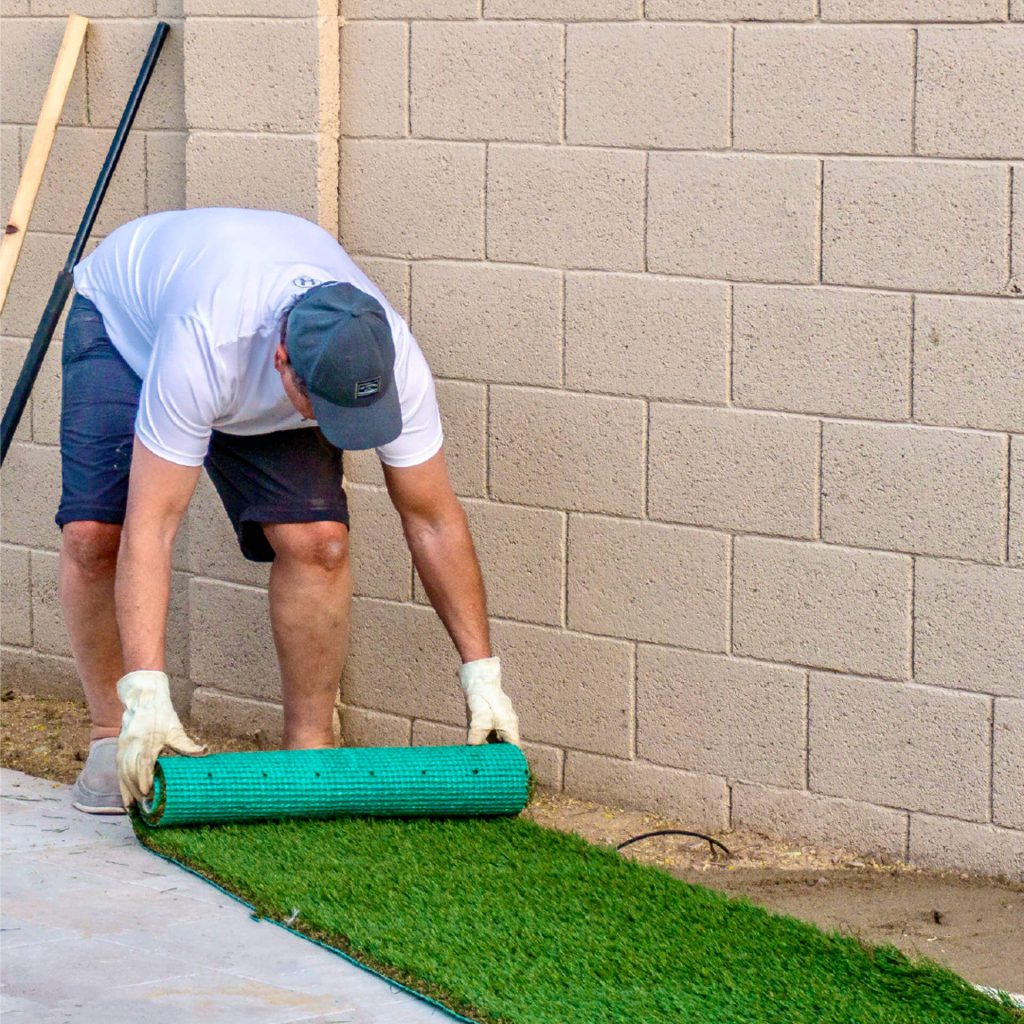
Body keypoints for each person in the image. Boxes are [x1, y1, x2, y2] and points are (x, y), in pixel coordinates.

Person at [59, 207, 520, 814]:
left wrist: (482, 677)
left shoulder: (388, 355)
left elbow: (431, 519)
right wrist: (146, 691)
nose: (337, 429)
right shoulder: (207, 341)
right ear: (283, 363)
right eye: (323, 408)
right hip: (129, 330)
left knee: (319, 543)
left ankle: (309, 756)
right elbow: (157, 523)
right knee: (97, 534)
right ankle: (110, 732)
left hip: (242, 349)